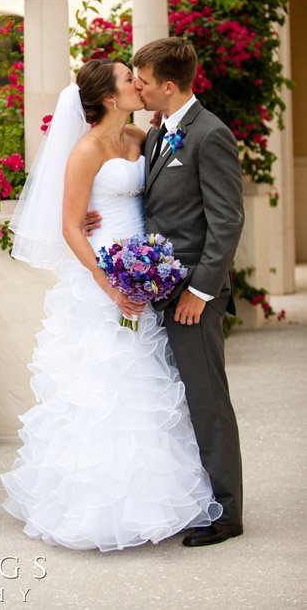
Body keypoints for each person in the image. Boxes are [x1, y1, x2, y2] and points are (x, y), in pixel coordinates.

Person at [0, 57, 223, 552]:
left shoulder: (141, 139)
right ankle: (100, 508)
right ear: (107, 97)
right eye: (129, 80)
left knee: (150, 384)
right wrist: (109, 285)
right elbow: (69, 226)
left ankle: (160, 502)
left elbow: (158, 194)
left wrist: (148, 267)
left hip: (147, 268)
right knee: (105, 388)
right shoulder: (86, 149)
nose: (137, 86)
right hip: (106, 276)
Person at [86, 38, 245, 547]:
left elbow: (226, 221)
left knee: (206, 398)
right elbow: (149, 200)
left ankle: (227, 513)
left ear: (168, 87)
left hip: (193, 294)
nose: (138, 86)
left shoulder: (209, 134)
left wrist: (200, 290)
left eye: (145, 81)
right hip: (160, 288)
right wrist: (97, 215)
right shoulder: (158, 132)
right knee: (179, 400)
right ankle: (198, 496)